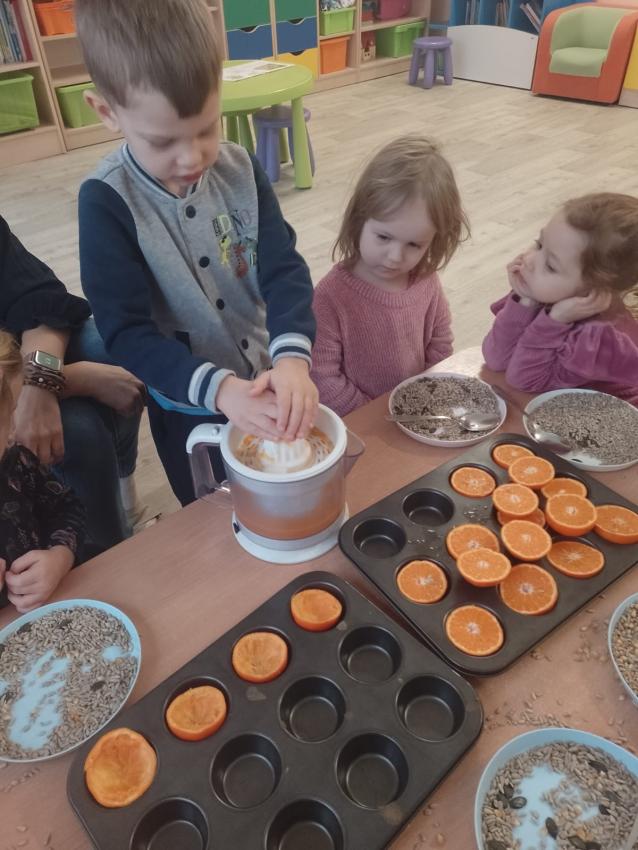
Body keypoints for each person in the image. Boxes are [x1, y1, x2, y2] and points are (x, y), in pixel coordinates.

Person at [74, 0, 318, 507]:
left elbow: (284, 269)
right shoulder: (106, 202)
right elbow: (126, 333)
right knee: (210, 516)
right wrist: (220, 390)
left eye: (207, 128)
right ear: (106, 112)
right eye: (163, 141)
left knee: (284, 499)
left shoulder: (240, 168)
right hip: (187, 407)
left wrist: (293, 358)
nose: (192, 157)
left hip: (266, 379)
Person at [0, 215, 147, 553]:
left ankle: (123, 492)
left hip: (15, 365)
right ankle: (108, 554)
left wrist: (41, 382)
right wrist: (74, 379)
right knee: (79, 431)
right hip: (9, 376)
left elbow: (39, 296)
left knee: (119, 347)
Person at [310, 135, 469, 417]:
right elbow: (323, 378)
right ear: (359, 220)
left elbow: (440, 343)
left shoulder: (426, 281)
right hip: (360, 423)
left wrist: (424, 397)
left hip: (416, 416)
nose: (395, 257)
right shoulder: (329, 297)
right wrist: (378, 417)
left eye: (414, 245)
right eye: (383, 237)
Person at [482, 192, 638, 406]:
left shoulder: (594, 334)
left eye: (550, 266)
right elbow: (496, 359)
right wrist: (524, 301)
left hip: (616, 413)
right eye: (539, 244)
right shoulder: (550, 293)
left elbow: (523, 381)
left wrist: (554, 322)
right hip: (564, 406)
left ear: (590, 292)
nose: (529, 260)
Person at [0, 330, 85, 613]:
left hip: (53, 607)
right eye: (8, 417)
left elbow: (67, 507)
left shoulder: (17, 462)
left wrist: (59, 557)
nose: (15, 431)